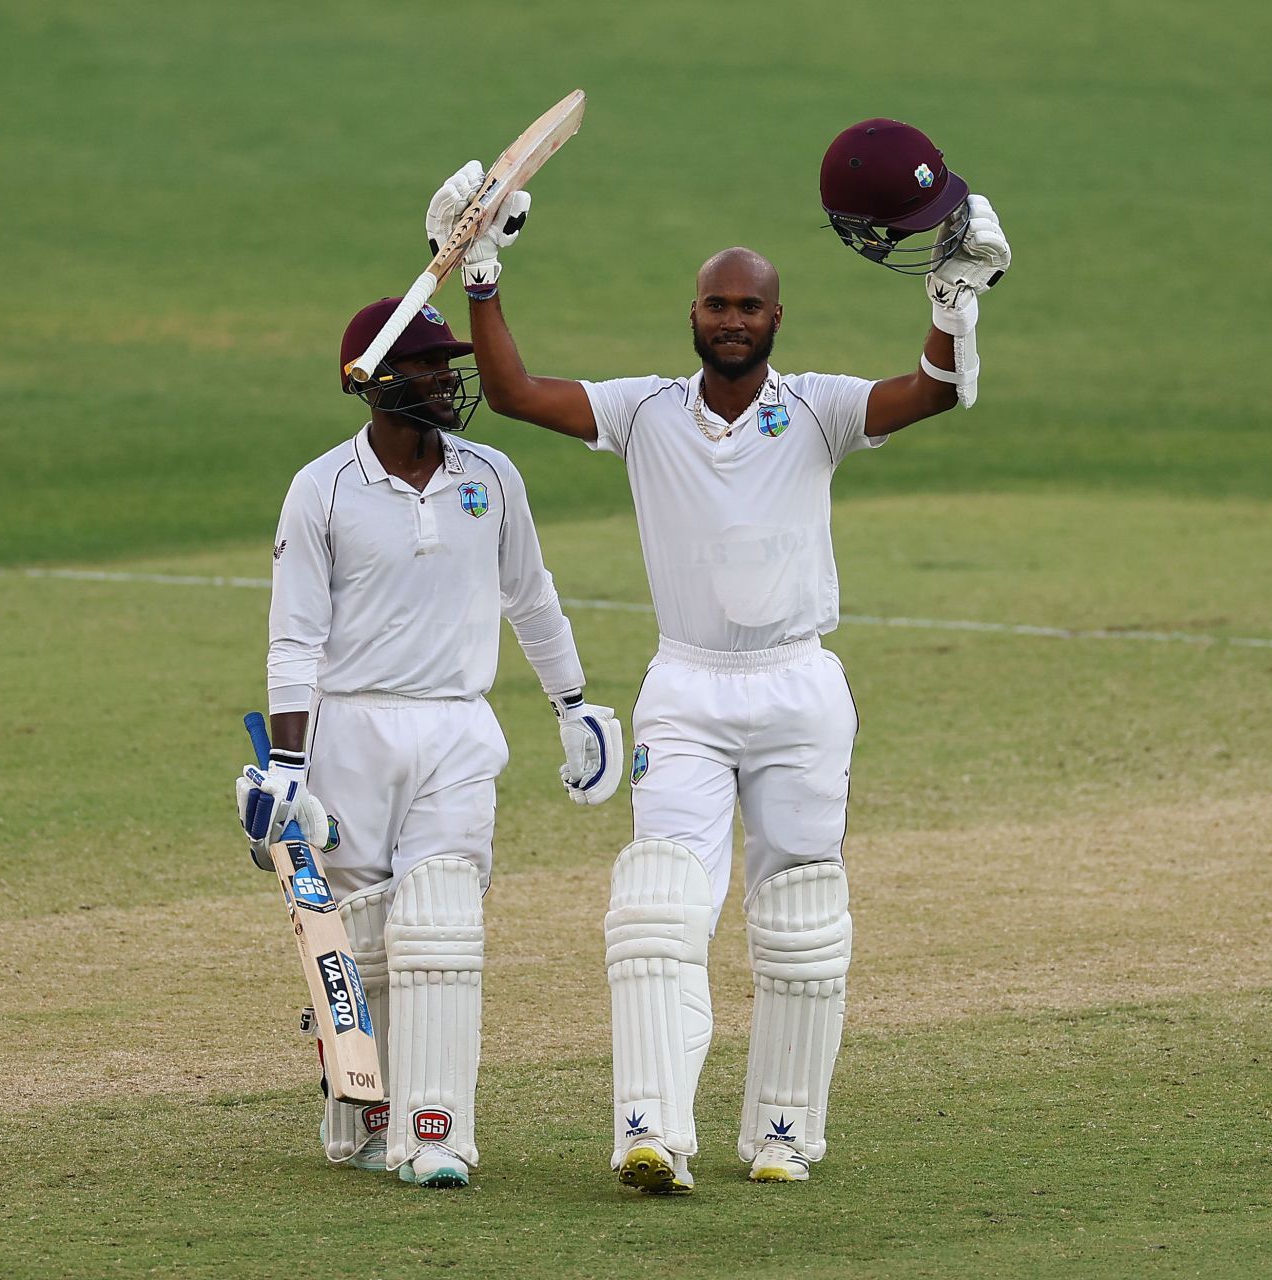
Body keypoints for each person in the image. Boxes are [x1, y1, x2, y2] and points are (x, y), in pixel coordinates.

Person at [426, 119, 1012, 1192]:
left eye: (748, 305)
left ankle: (784, 1133)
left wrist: (953, 299)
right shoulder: (644, 411)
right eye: (715, 303)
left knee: (799, 909)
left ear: (775, 319)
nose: (731, 319)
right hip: (687, 686)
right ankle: (652, 1127)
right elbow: (513, 395)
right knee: (660, 902)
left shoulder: (820, 409)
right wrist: (483, 272)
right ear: (692, 314)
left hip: (799, 685)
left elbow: (933, 391)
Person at [233, 288, 623, 1189]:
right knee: (364, 945)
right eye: (422, 368)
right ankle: (365, 1121)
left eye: (447, 366)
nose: (446, 382)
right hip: (351, 731)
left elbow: (530, 596)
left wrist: (573, 705)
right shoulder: (321, 487)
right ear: (369, 383)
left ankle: (437, 1131)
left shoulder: (492, 477)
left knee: (444, 922)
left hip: (457, 726)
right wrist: (289, 766)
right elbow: (295, 637)